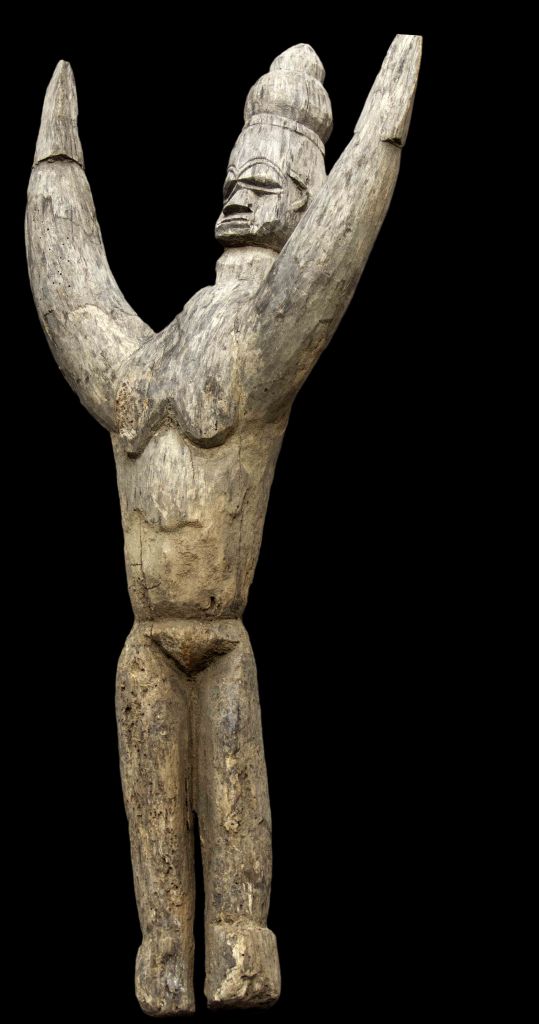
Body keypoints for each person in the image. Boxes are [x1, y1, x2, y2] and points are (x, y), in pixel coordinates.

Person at [25, 36, 421, 1015]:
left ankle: (241, 945)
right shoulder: (147, 361)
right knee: (153, 820)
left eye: (269, 184)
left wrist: (384, 115)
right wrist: (55, 163)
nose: (242, 193)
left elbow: (338, 239)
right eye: (237, 177)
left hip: (219, 631)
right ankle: (163, 950)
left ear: (303, 203)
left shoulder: (262, 338)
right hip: (146, 637)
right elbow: (72, 281)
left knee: (234, 801)